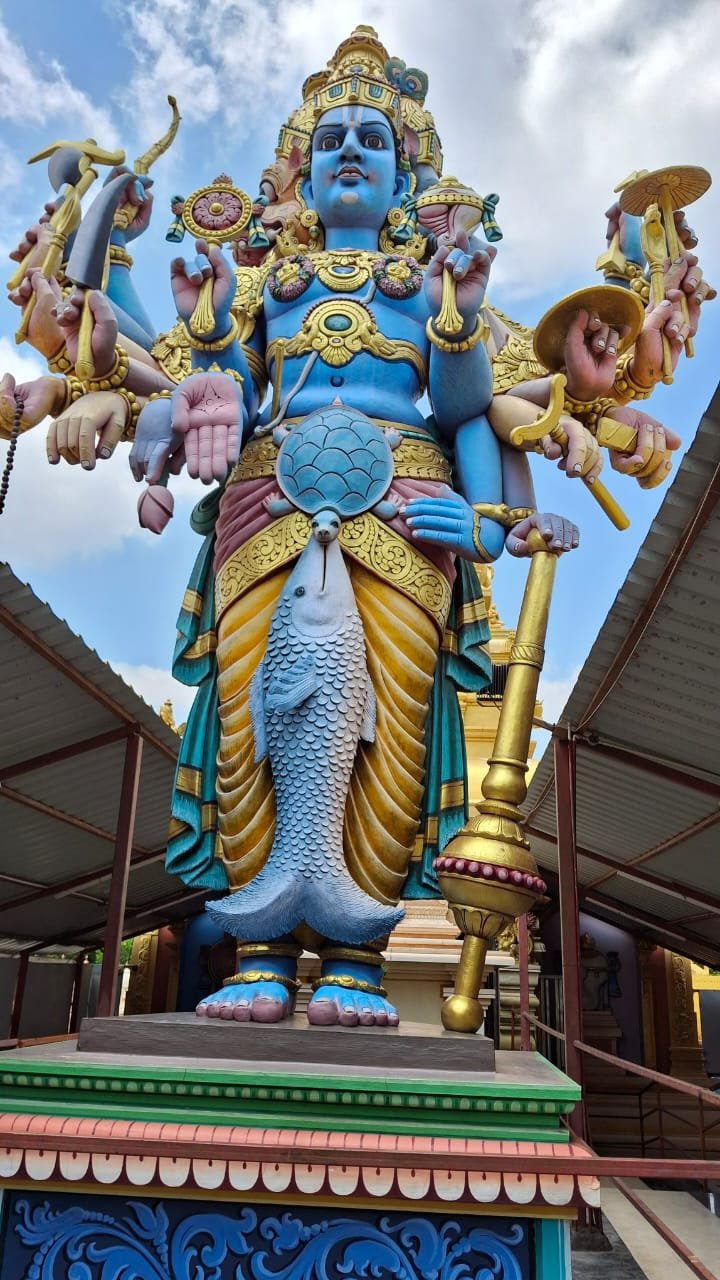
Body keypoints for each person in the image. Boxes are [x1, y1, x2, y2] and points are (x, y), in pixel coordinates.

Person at [2, 27, 712, 1027]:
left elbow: (469, 405)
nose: (348, 149)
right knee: (257, 714)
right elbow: (222, 389)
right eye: (330, 135)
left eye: (370, 140)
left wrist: (477, 466)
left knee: (389, 731)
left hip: (407, 512)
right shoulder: (257, 287)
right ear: (297, 171)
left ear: (405, 175)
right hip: (265, 507)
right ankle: (255, 947)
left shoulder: (431, 285)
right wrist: (200, 363)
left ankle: (352, 956)